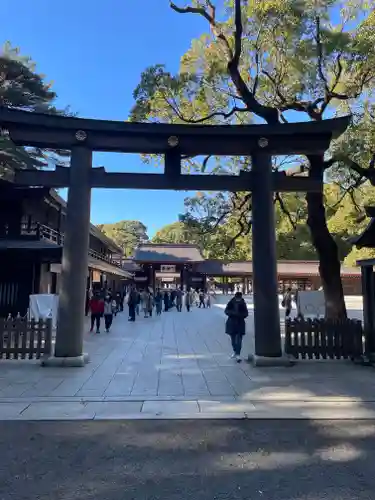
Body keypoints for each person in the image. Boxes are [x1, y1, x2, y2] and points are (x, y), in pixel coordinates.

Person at [224, 291, 248, 362]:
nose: (238, 300)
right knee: (233, 340)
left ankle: (238, 354)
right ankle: (235, 351)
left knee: (239, 339)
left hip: (240, 323)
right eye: (237, 298)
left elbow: (246, 313)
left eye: (239, 298)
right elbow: (226, 311)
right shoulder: (231, 302)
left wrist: (240, 315)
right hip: (232, 322)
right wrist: (233, 313)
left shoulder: (243, 303)